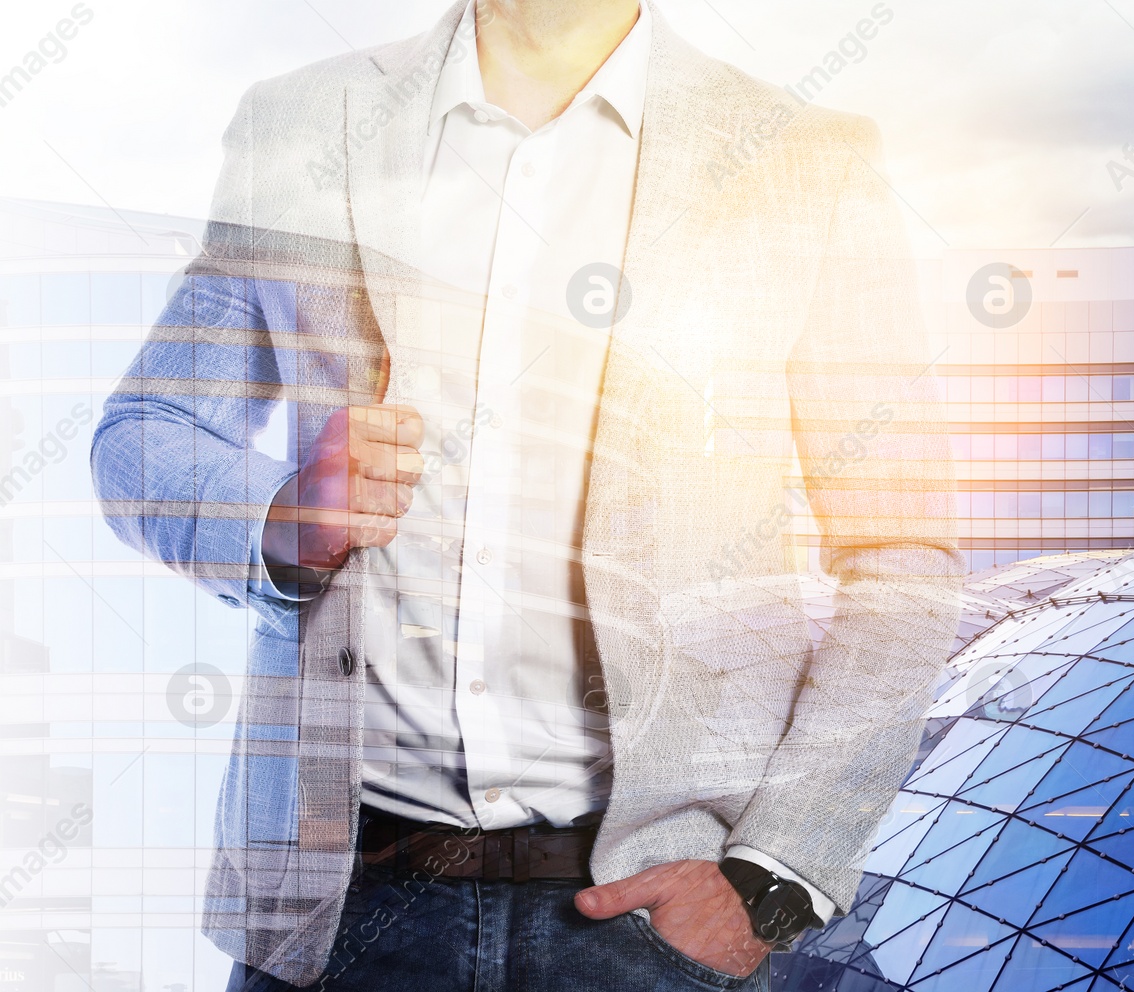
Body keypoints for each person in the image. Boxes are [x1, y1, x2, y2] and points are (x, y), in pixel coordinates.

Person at [90, 1, 959, 989]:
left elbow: (901, 545)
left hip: (659, 919)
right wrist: (281, 516)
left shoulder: (805, 159)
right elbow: (143, 436)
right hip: (342, 910)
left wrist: (776, 874)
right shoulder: (297, 122)